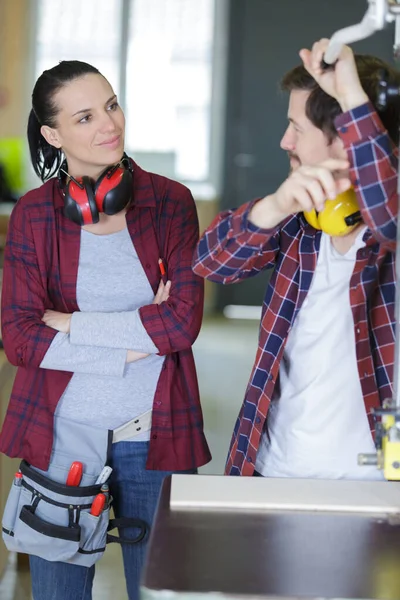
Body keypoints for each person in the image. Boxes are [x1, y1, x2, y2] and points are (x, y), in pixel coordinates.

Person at [0, 60, 211, 600]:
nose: (109, 124)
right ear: (53, 134)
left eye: (112, 105)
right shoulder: (34, 215)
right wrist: (132, 349)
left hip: (155, 431)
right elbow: (21, 338)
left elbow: (182, 323)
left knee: (163, 590)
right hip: (64, 436)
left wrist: (74, 325)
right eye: (86, 116)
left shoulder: (170, 203)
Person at [193, 39, 399, 480]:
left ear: (347, 140)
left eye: (297, 128)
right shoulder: (299, 219)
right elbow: (210, 263)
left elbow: (389, 213)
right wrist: (271, 208)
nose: (285, 140)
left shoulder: (389, 230)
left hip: (377, 482)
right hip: (273, 471)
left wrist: (352, 99)